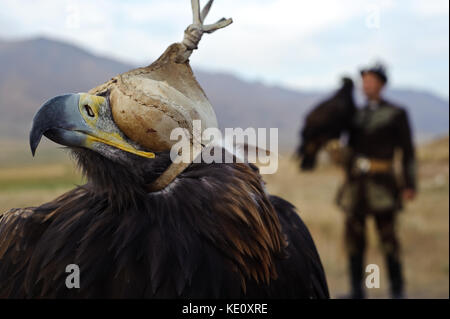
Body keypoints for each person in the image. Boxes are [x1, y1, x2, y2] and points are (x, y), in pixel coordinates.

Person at [336, 63, 417, 299]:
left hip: (383, 187)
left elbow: (408, 152)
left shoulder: (396, 113)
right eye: (363, 81)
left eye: (370, 81)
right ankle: (356, 291)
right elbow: (349, 149)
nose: (365, 85)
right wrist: (339, 155)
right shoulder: (355, 116)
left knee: (389, 240)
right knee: (353, 241)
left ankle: (398, 291)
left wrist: (410, 184)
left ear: (381, 84)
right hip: (356, 188)